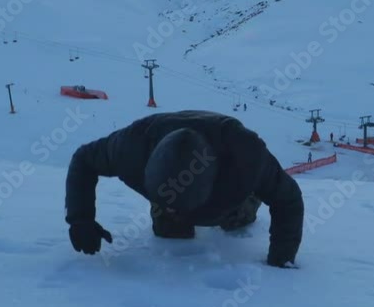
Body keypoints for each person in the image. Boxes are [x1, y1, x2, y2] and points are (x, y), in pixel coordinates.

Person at [64, 110, 304, 268]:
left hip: (230, 191)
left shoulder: (247, 157)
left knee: (236, 220)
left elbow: (288, 200)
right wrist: (80, 219)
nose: (174, 211)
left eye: (179, 206)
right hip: (165, 167)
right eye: (168, 203)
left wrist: (282, 258)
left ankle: (243, 206)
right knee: (169, 229)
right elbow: (84, 159)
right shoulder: (131, 147)